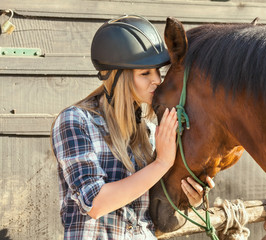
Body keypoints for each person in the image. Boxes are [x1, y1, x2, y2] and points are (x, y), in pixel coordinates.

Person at [51, 15, 214, 239]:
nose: (156, 80)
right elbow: (96, 204)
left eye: (157, 71)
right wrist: (162, 163)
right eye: (145, 73)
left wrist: (188, 199)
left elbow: (153, 215)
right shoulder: (75, 121)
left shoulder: (149, 130)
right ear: (118, 77)